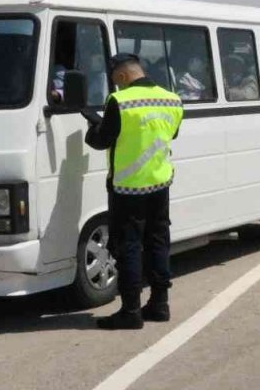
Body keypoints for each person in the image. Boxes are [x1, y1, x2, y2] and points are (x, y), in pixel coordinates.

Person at [82, 53, 184, 330]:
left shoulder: (120, 101)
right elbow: (169, 134)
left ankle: (130, 311)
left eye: (116, 80)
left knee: (128, 247)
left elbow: (102, 141)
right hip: (160, 184)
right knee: (158, 242)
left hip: (127, 189)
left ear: (123, 75)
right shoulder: (172, 99)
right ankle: (160, 304)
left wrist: (93, 126)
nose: (116, 86)